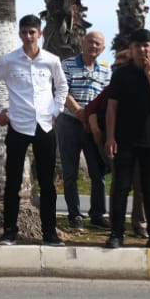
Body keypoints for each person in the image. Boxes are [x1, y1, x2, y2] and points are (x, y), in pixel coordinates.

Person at [0, 16, 70, 245]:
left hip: (44, 125)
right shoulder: (9, 60)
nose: (28, 37)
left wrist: (56, 110)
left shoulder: (51, 60)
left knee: (47, 182)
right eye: (25, 32)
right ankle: (9, 231)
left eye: (32, 32)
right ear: (19, 34)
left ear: (40, 33)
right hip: (18, 125)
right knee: (13, 180)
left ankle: (50, 232)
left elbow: (62, 86)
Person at [102, 29, 150, 251]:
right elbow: (112, 107)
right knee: (121, 187)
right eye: (136, 46)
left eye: (145, 45)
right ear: (130, 49)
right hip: (125, 139)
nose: (141, 50)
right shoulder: (120, 74)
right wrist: (110, 137)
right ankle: (116, 234)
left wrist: (149, 73)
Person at [57, 29, 111, 232]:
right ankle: (74, 215)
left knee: (98, 173)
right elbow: (63, 91)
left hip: (93, 126)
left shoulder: (105, 70)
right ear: (83, 42)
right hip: (69, 123)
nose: (93, 46)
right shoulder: (67, 64)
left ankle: (97, 215)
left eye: (98, 44)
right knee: (70, 173)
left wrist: (92, 120)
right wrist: (80, 112)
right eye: (90, 42)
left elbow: (105, 97)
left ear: (103, 48)